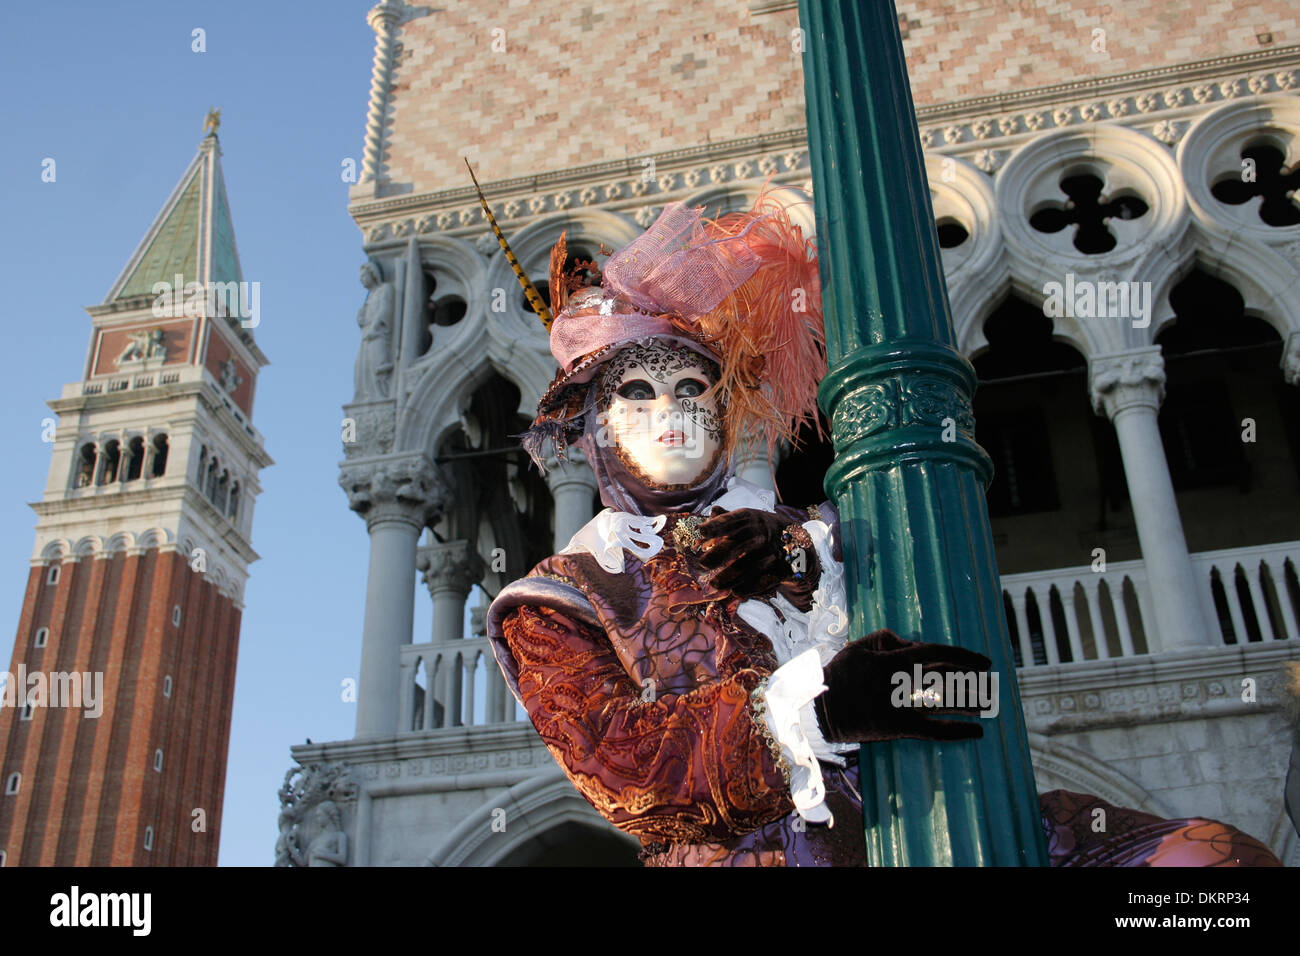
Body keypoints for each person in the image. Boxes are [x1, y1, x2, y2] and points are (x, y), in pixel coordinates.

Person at [484, 193, 1281, 867]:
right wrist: (820, 708)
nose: (674, 414)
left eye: (694, 388)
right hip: (761, 855)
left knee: (1215, 867)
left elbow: (978, 688)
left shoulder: (828, 534)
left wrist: (809, 564)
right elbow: (627, 776)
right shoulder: (559, 599)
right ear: (591, 426)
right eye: (638, 396)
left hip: (940, 818)